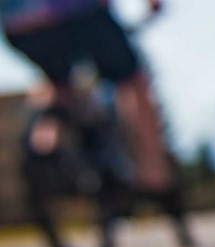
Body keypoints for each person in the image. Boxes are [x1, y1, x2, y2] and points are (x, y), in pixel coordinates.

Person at [0, 0, 172, 191]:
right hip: (76, 12)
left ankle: (42, 148)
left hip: (18, 23)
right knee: (131, 80)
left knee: (58, 83)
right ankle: (153, 171)